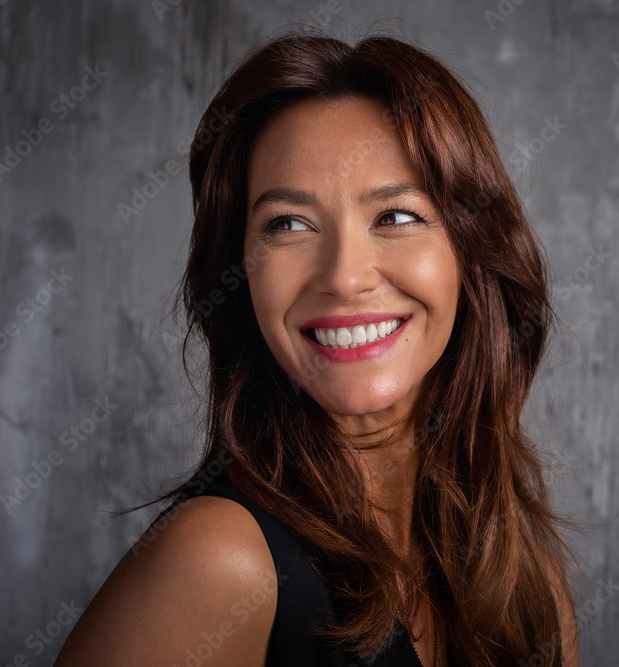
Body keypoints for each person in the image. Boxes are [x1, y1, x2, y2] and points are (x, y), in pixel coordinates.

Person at [56, 28, 581, 667]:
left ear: (473, 253)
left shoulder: (529, 583)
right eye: (288, 225)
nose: (344, 276)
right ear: (240, 273)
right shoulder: (219, 562)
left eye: (396, 216)